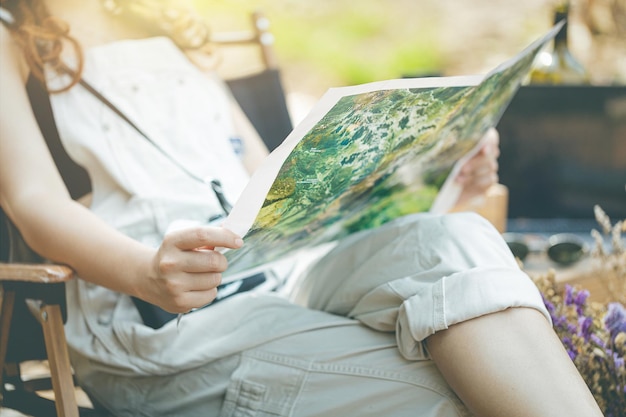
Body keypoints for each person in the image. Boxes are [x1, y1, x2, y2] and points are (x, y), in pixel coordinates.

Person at [0, 1, 603, 416]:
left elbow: (271, 184)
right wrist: (145, 274)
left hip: (280, 272)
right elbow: (31, 200)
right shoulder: (13, 30)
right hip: (165, 320)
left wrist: (444, 179)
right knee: (482, 382)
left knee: (458, 236)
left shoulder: (167, 21)